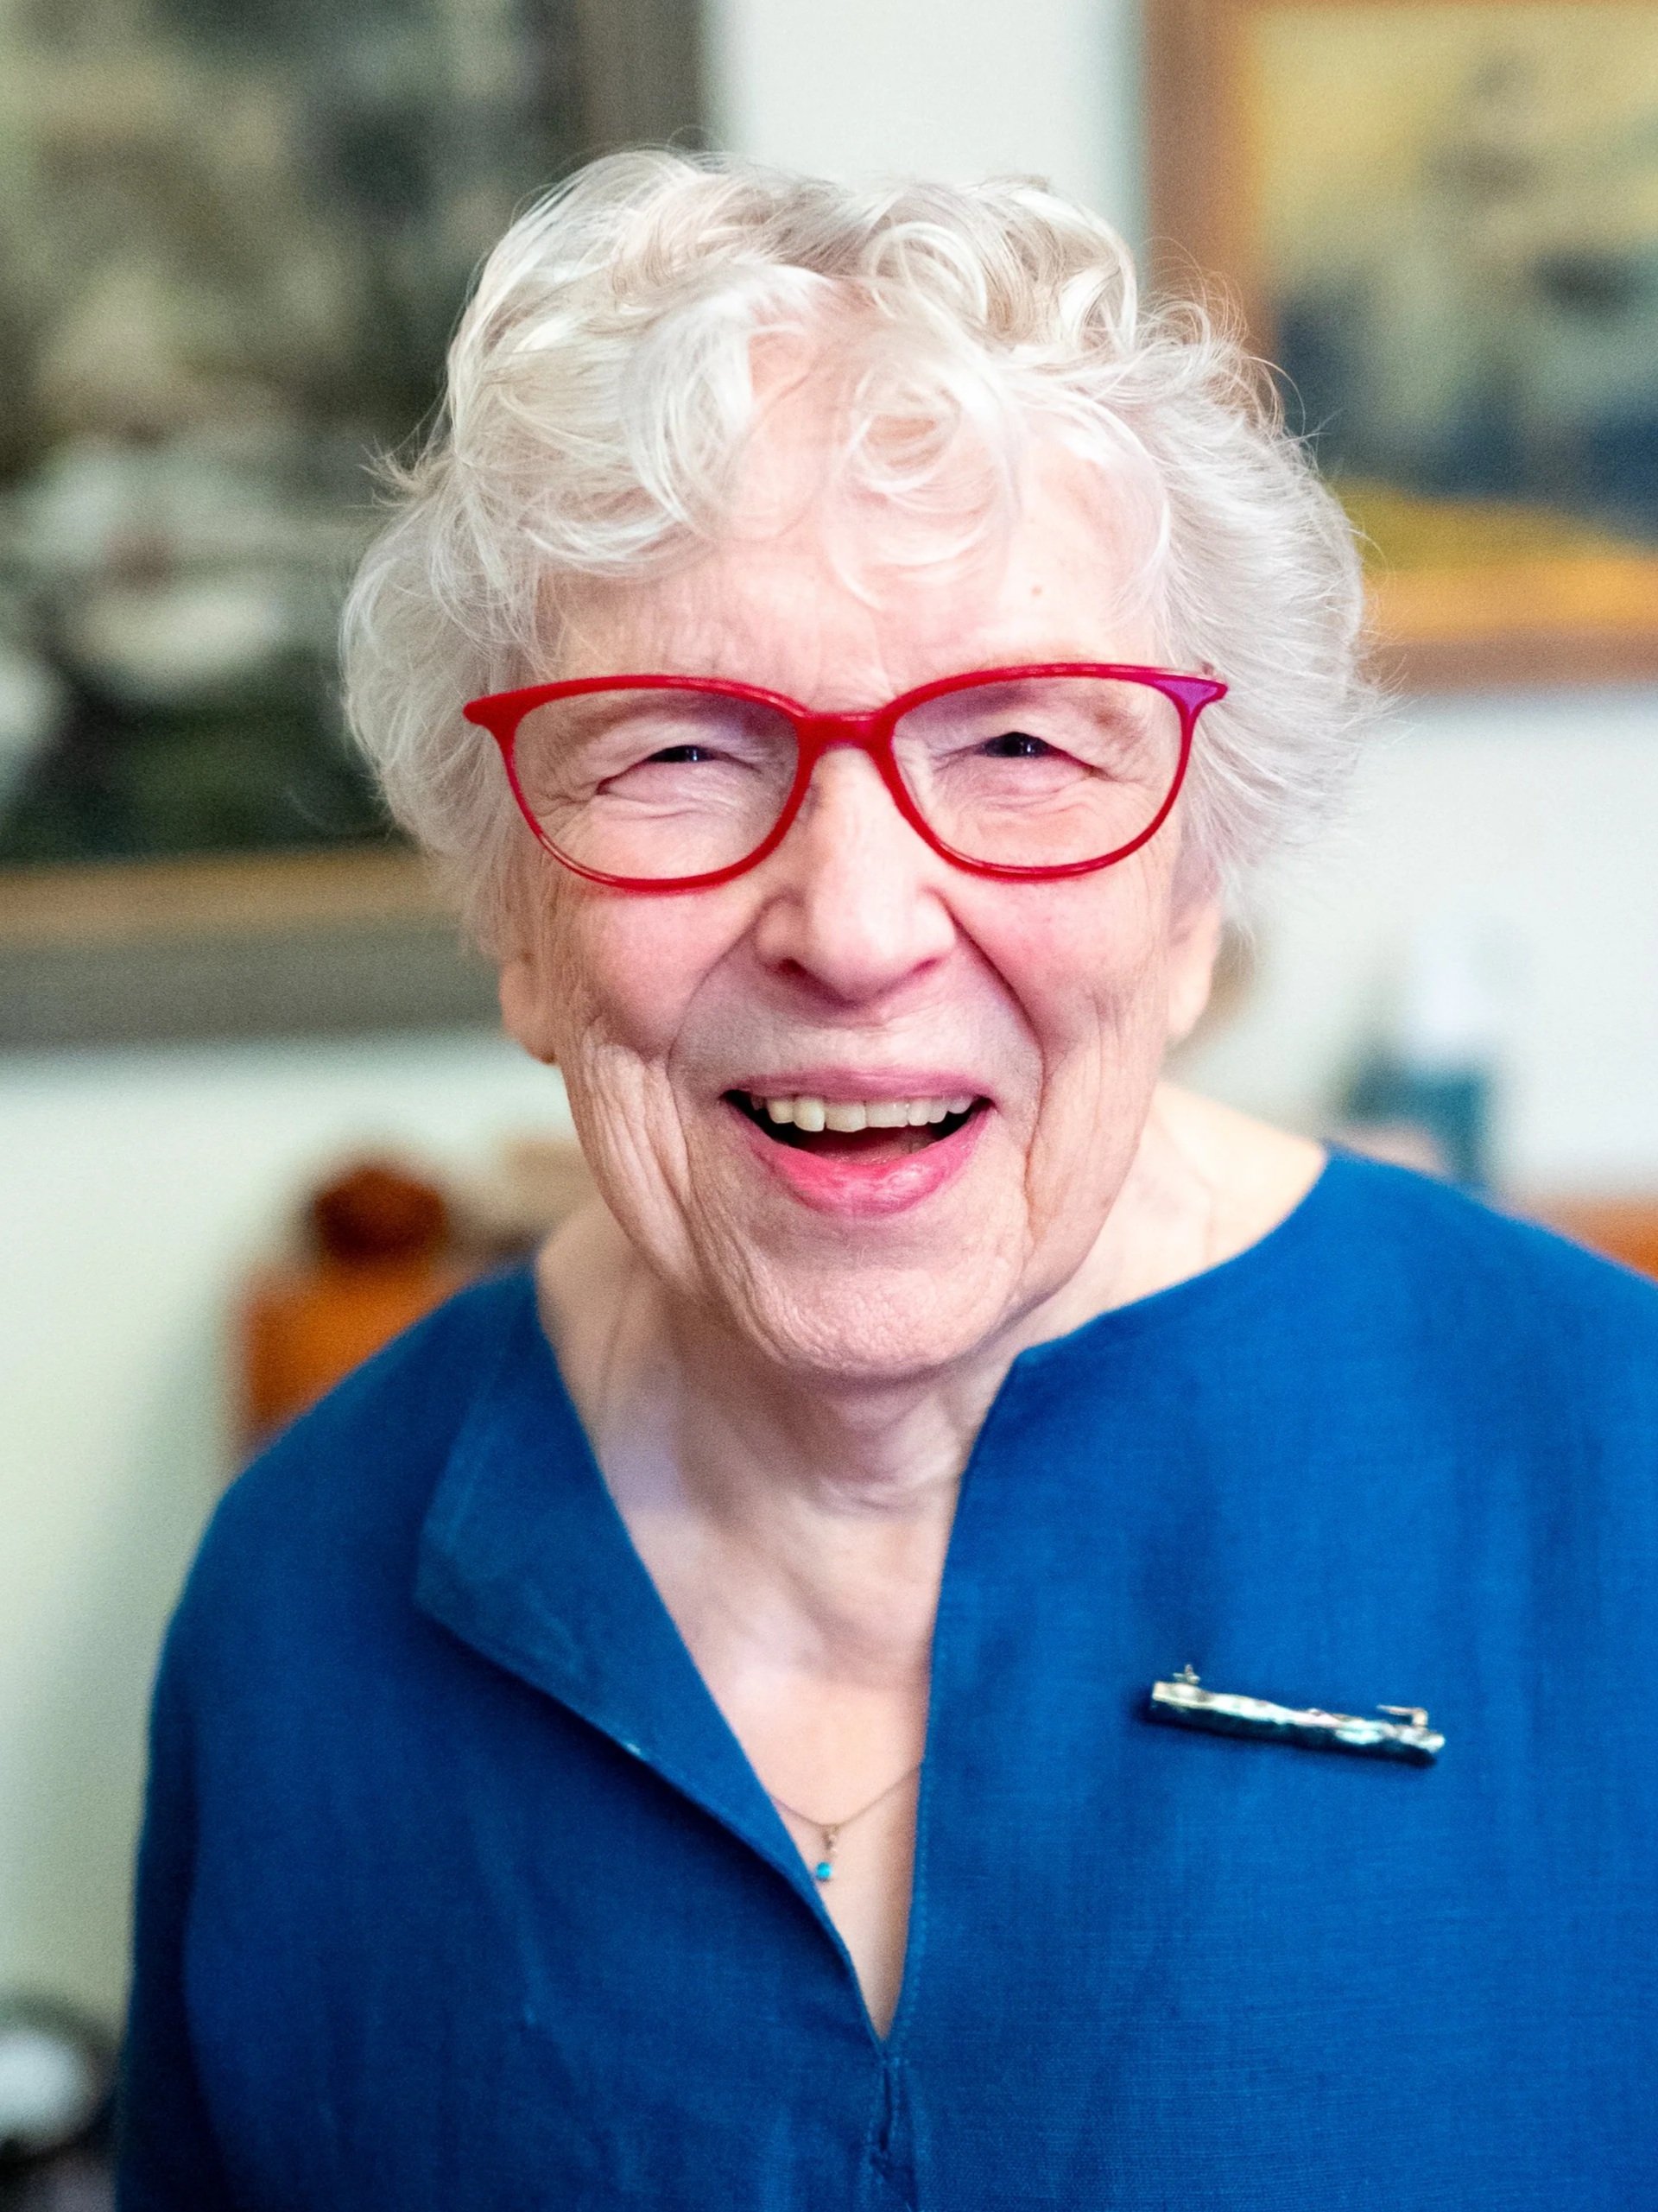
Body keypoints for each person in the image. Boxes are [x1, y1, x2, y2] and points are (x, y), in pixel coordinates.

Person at [117, 155, 1658, 2210]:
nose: (853, 926)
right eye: (674, 748)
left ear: (1197, 889)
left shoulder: (1610, 1479)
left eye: (1023, 744)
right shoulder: (305, 1598)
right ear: (513, 909)